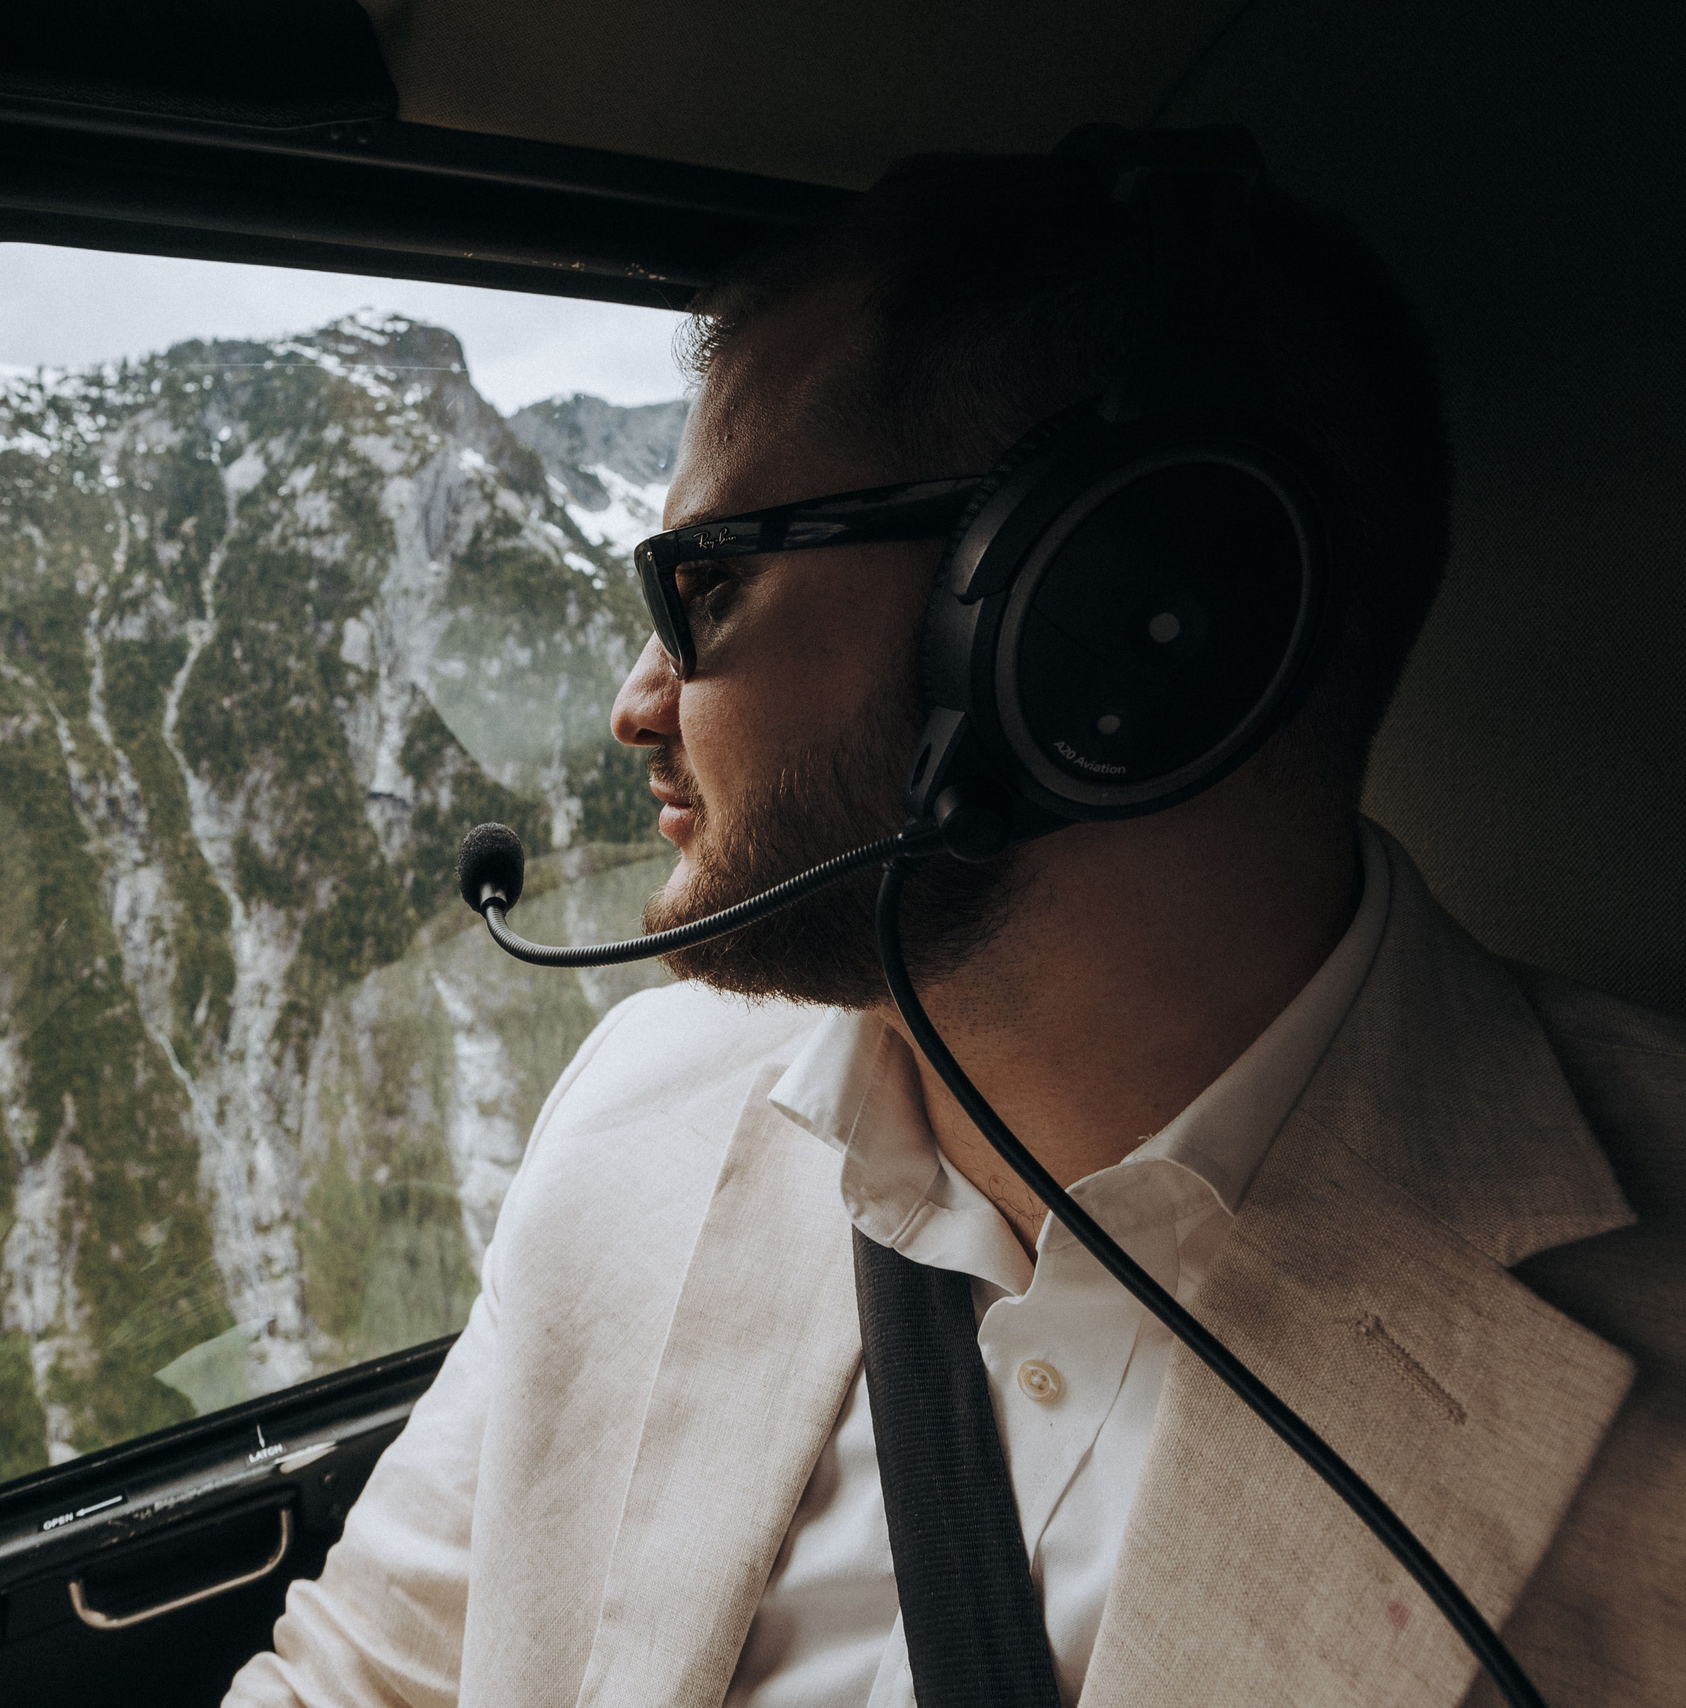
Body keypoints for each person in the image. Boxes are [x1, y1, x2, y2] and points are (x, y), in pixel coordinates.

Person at [225, 150, 1684, 1708]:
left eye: (706, 591)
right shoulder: (637, 1107)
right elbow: (358, 1681)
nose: (637, 703)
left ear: (1091, 620)